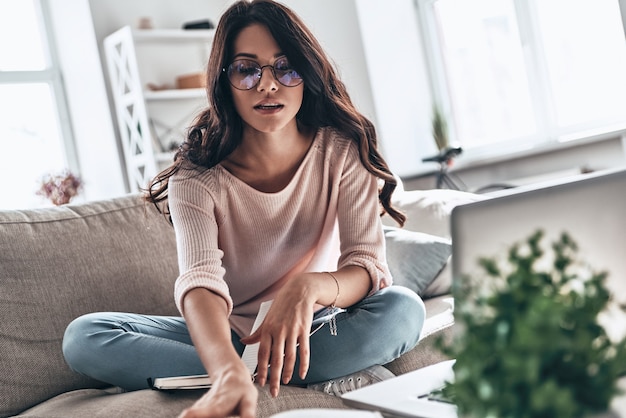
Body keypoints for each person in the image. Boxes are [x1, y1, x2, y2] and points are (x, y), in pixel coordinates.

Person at [62, 1, 426, 417]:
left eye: (285, 67)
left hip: (316, 327)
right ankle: (239, 374)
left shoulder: (343, 148)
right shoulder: (195, 177)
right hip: (229, 335)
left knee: (403, 310)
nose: (267, 85)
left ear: (307, 73)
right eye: (246, 69)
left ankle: (242, 372)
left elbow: (365, 265)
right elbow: (200, 283)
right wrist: (224, 365)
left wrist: (307, 287)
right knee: (85, 336)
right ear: (224, 80)